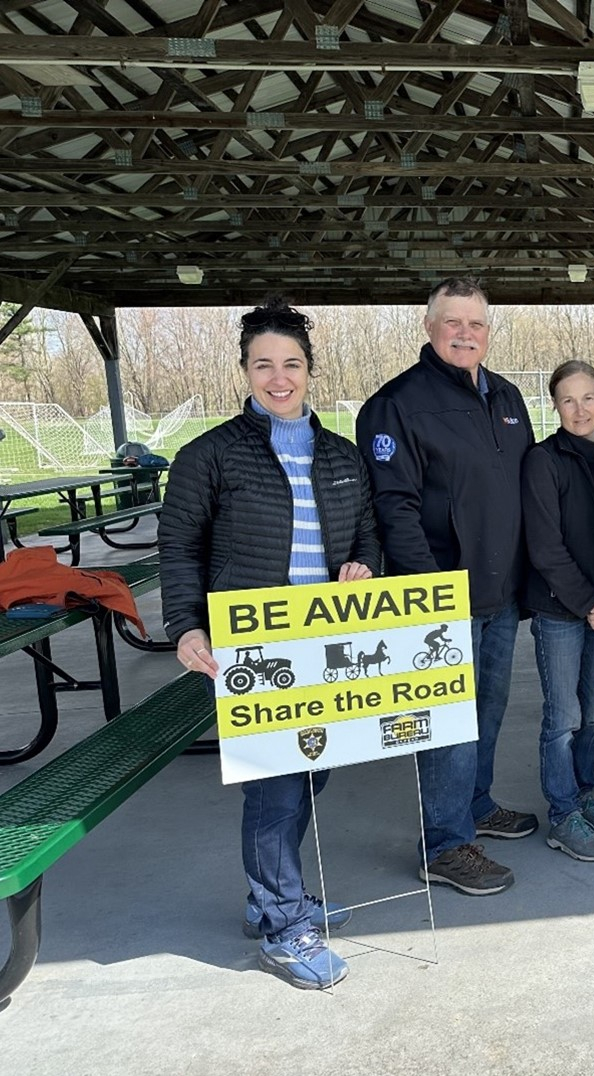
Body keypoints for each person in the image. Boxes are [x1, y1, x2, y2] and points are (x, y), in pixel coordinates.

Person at [159, 298, 380, 990]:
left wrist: (363, 565)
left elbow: (367, 532)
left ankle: (271, 899)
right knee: (276, 784)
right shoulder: (209, 454)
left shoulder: (342, 455)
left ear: (309, 370)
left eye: (291, 364)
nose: (278, 378)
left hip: (323, 643)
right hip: (251, 647)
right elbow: (178, 546)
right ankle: (284, 924)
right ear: (245, 371)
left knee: (313, 771)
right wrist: (185, 625)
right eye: (264, 365)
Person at [356, 277, 537, 897]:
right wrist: (430, 594)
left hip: (501, 592)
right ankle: (445, 843)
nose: (465, 333)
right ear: (429, 326)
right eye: (453, 322)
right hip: (442, 597)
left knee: (488, 710)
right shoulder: (397, 404)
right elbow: (394, 506)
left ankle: (476, 804)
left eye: (476, 323)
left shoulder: (506, 396)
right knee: (447, 723)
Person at [522, 360, 594, 862]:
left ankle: (583, 797)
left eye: (588, 398)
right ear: (555, 405)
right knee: (563, 718)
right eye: (568, 400)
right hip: (561, 612)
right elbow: (545, 548)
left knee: (592, 715)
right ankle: (563, 815)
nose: (579, 410)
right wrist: (591, 603)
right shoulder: (543, 461)